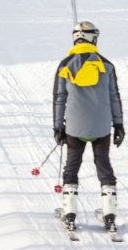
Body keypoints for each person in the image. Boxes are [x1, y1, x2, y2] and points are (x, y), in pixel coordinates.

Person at [53, 21, 124, 234]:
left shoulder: (65, 65)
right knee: (103, 165)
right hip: (101, 126)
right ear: (93, 38)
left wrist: (58, 127)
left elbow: (59, 98)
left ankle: (70, 213)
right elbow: (114, 97)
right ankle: (110, 215)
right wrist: (119, 124)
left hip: (75, 127)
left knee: (72, 166)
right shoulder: (107, 65)